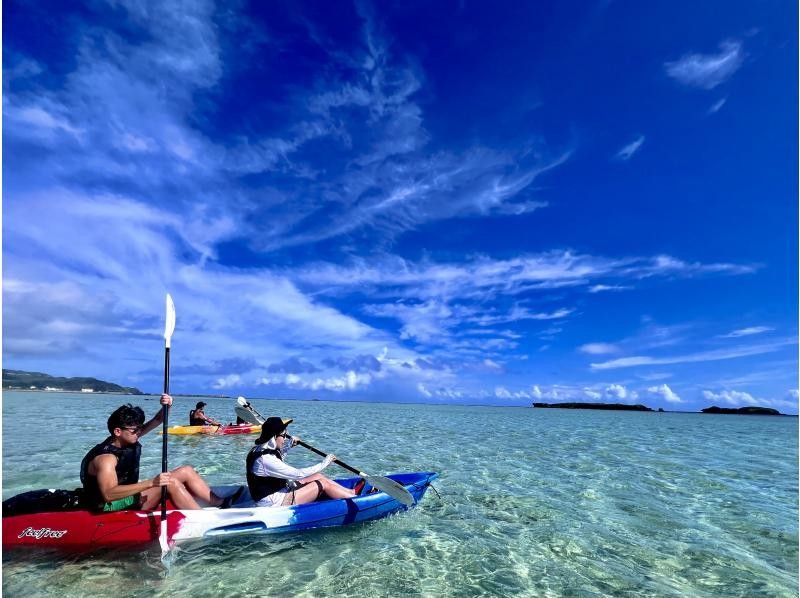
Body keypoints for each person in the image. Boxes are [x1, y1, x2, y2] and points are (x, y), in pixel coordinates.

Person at [80, 394, 241, 512]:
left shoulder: (127, 438)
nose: (140, 431)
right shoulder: (106, 458)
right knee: (169, 483)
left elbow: (157, 420)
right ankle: (202, 519)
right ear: (117, 431)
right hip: (110, 506)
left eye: (139, 427)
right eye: (135, 429)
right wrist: (151, 483)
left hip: (127, 495)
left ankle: (220, 502)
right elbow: (109, 494)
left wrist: (167, 405)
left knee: (186, 471)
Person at [246, 417, 360, 507]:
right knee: (322, 484)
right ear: (274, 437)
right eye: (284, 435)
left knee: (318, 476)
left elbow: (277, 462)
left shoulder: (260, 450)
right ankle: (358, 501)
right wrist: (325, 463)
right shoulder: (265, 460)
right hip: (274, 502)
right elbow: (297, 474)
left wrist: (289, 446)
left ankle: (351, 492)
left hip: (280, 491)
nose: (285, 438)